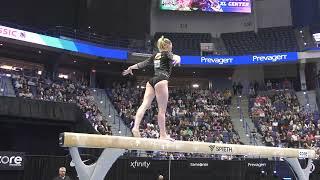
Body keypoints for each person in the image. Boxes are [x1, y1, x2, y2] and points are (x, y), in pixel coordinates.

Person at [122, 36, 181, 141]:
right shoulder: (167, 54)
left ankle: (135, 128)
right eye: (171, 45)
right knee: (162, 110)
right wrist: (177, 59)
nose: (172, 47)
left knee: (144, 104)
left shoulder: (155, 55)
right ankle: (162, 135)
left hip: (152, 81)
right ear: (168, 46)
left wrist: (131, 67)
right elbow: (176, 57)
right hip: (162, 80)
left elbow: (142, 64)